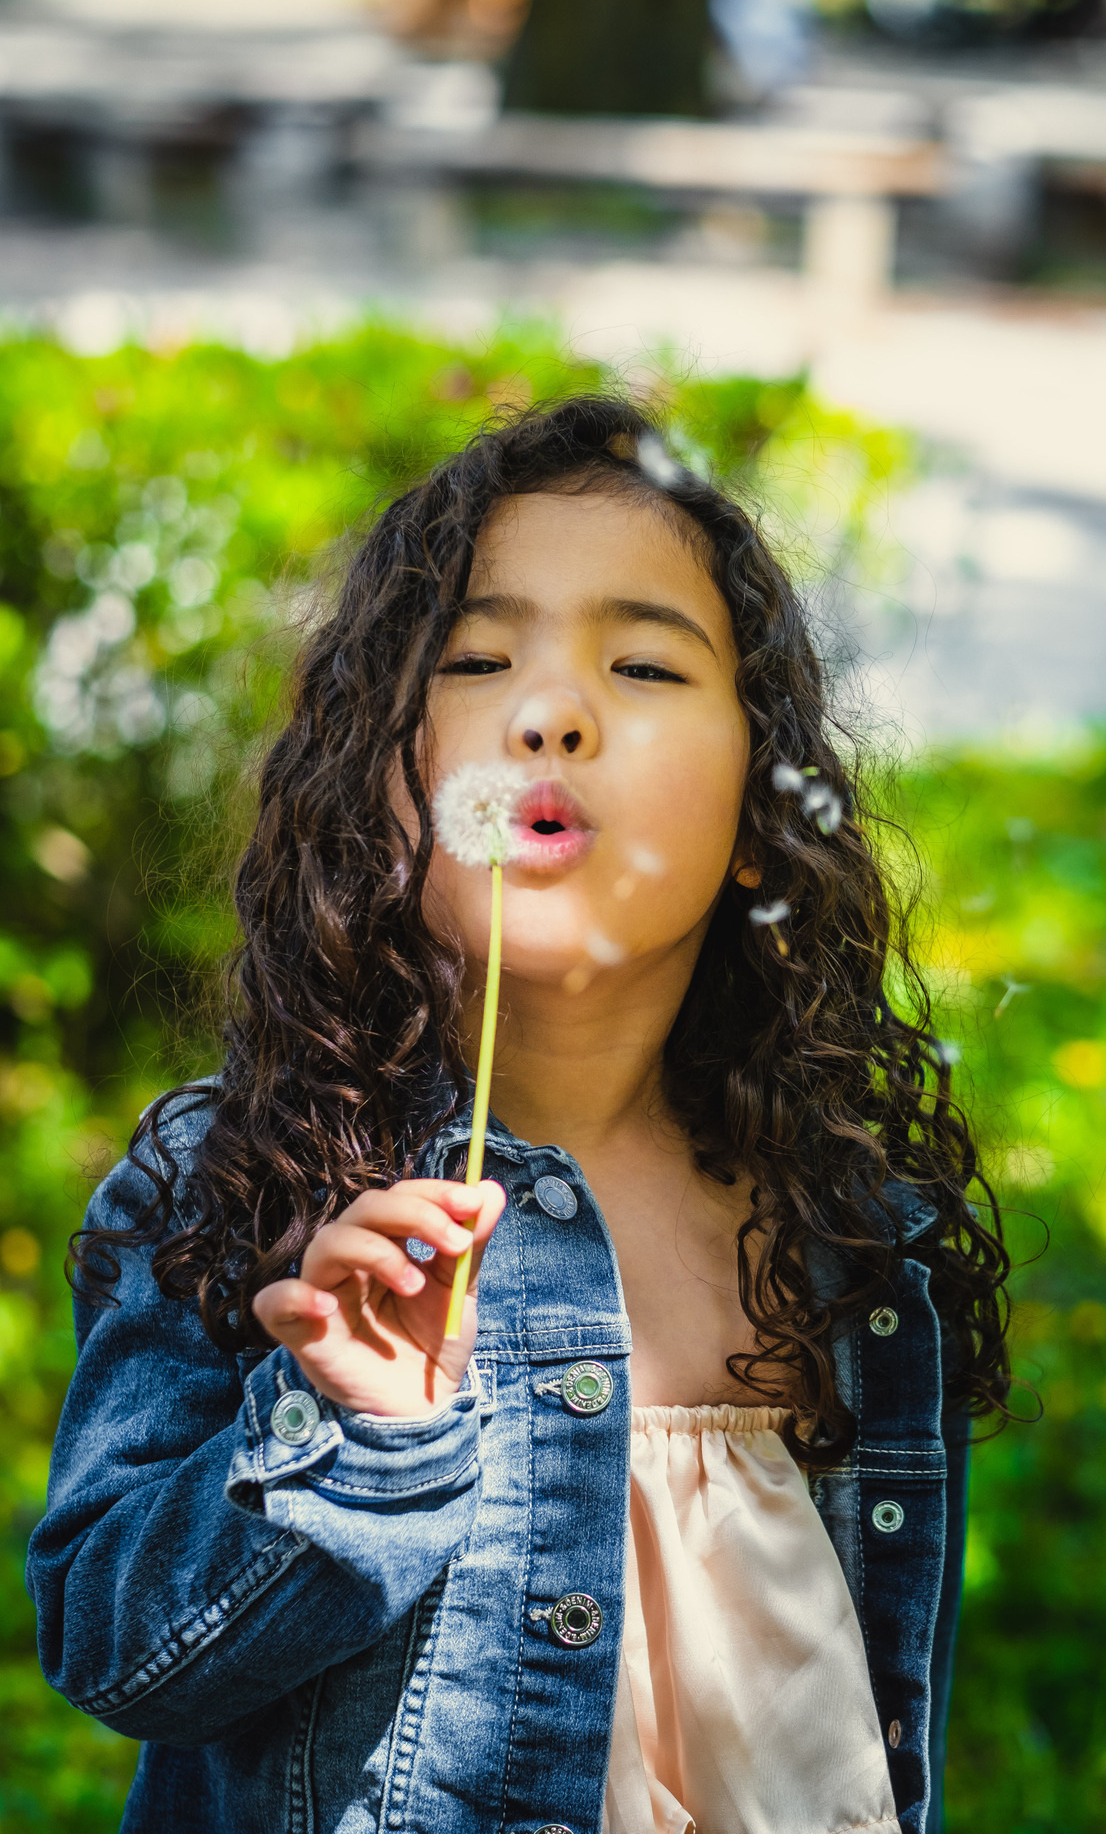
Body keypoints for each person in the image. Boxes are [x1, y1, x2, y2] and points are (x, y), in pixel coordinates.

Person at [28, 397, 1011, 1834]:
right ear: (381, 784)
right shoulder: (249, 1189)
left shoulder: (859, 1249)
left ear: (757, 826)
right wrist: (354, 1439)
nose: (550, 709)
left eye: (645, 663)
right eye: (479, 659)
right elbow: (117, 1649)